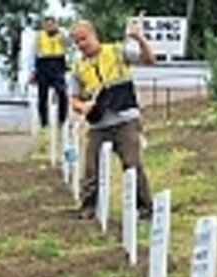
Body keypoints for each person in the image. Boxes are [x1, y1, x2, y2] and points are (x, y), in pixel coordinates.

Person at [69, 18, 156, 221]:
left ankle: (145, 207)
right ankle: (89, 207)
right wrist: (84, 107)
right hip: (98, 124)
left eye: (84, 38)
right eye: (77, 42)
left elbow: (149, 59)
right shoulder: (78, 68)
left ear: (94, 34)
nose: (82, 44)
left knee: (132, 164)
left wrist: (139, 39)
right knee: (91, 168)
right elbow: (73, 100)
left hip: (126, 120)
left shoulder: (118, 52)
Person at [30, 15, 70, 130]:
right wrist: (33, 71)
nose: (49, 26)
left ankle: (61, 120)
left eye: (52, 24)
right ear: (43, 26)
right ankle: (44, 124)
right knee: (42, 96)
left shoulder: (61, 34)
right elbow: (33, 54)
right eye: (47, 24)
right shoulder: (38, 36)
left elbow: (69, 42)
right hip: (43, 64)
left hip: (58, 64)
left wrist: (61, 30)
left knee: (62, 93)